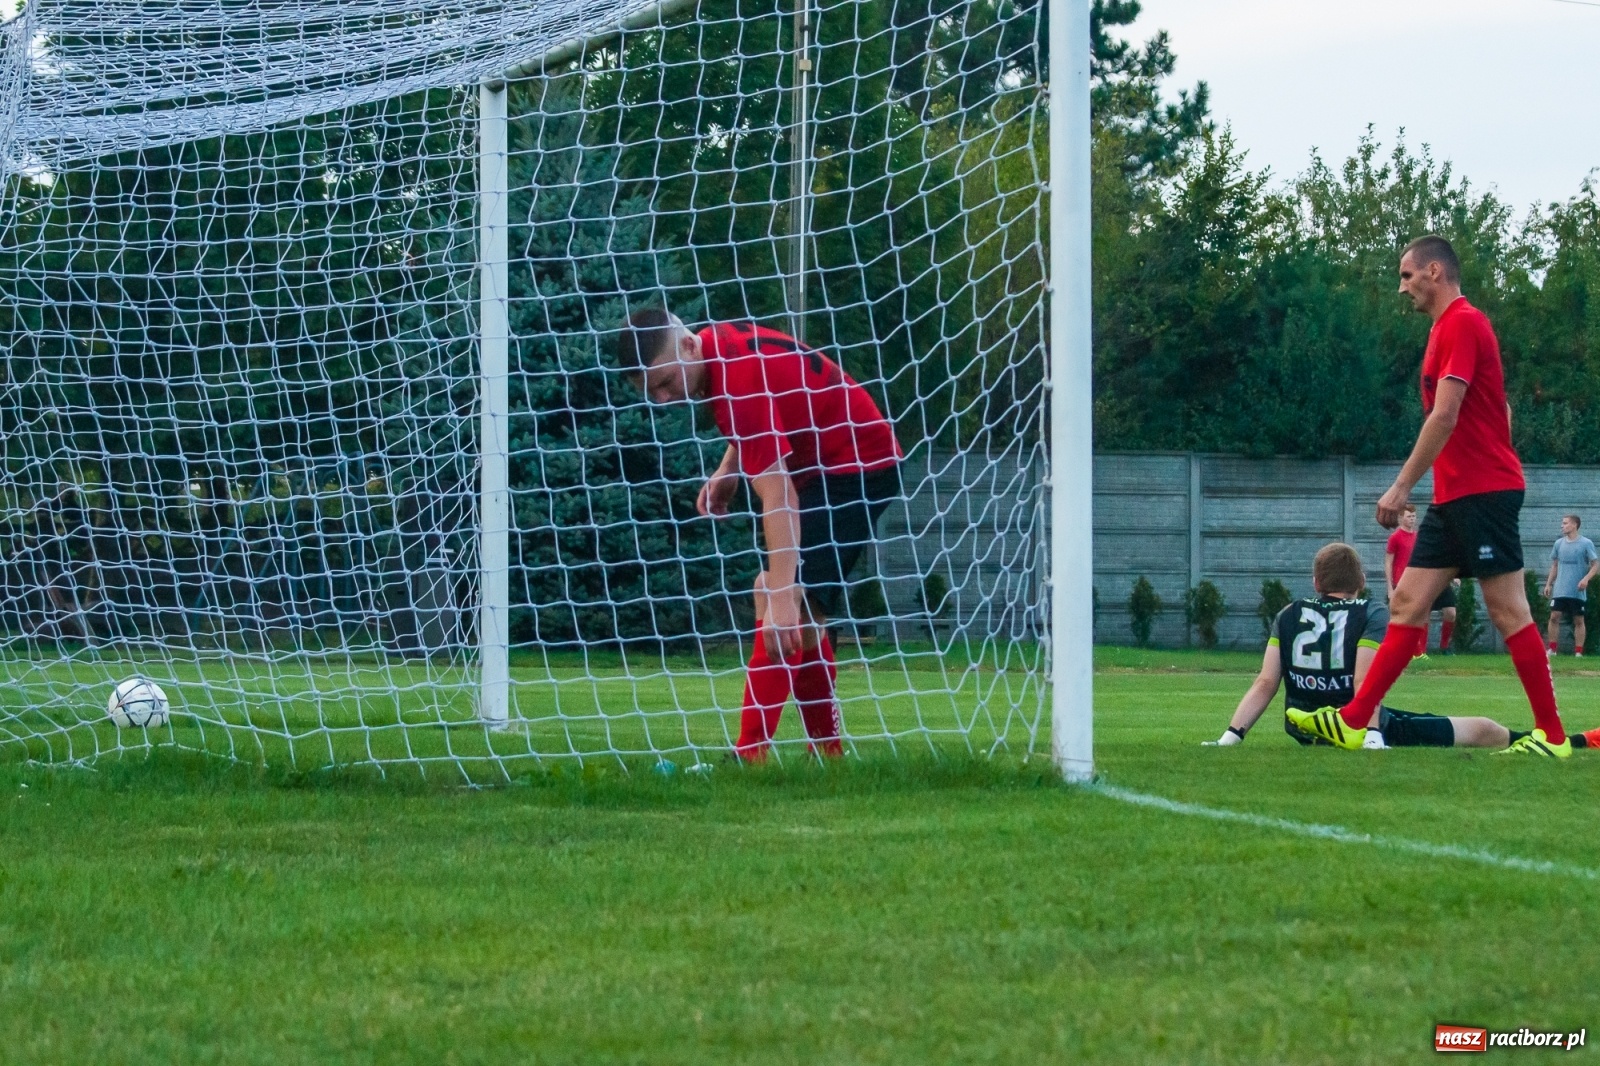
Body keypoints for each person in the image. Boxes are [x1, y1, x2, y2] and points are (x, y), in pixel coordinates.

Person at [1289, 235, 1573, 756]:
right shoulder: (1446, 330)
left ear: (1435, 272)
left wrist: (1400, 487)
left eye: (1406, 275)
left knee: (1507, 610)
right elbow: (1498, 409)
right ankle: (1354, 721)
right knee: (1406, 603)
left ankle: (1551, 737)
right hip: (1456, 494)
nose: (1402, 288)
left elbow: (1445, 414)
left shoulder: (1463, 322)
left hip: (1482, 492)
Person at [616, 308, 903, 761]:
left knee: (779, 596)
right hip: (829, 466)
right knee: (790, 605)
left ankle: (751, 755)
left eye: (666, 381)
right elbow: (764, 410)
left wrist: (785, 595)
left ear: (689, 346)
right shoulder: (719, 351)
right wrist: (728, 470)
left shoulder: (733, 383)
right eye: (651, 391)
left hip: (857, 466)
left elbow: (779, 494)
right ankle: (826, 754)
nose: (663, 398)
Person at [1207, 543, 1518, 750]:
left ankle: (1545, 740)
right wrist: (1371, 734)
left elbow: (1265, 682)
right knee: (1480, 729)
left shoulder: (1288, 613)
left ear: (1317, 582)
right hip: (1350, 723)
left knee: (1422, 717)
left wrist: (1231, 736)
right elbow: (1364, 680)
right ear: (1361, 581)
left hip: (1303, 725)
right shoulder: (1370, 612)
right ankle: (1540, 740)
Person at [1385, 504, 1458, 656]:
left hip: (1431, 578)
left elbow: (1436, 554)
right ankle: (1421, 652)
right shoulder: (1395, 538)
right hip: (1410, 581)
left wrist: (1452, 576)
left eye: (1413, 516)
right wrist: (1391, 588)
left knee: (1450, 612)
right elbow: (1388, 563)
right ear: (1401, 518)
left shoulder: (1420, 536)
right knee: (1423, 614)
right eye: (1409, 516)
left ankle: (1445, 646)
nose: (1412, 519)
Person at [1543, 514, 1598, 657]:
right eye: (1562, 523)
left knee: (1578, 620)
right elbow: (1554, 565)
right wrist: (1548, 584)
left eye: (1565, 523)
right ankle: (1552, 649)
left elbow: (1595, 565)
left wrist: (1586, 579)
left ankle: (1578, 652)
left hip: (1577, 590)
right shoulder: (1559, 544)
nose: (1562, 526)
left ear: (1574, 525)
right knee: (1554, 616)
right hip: (1560, 589)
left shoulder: (1586, 543)